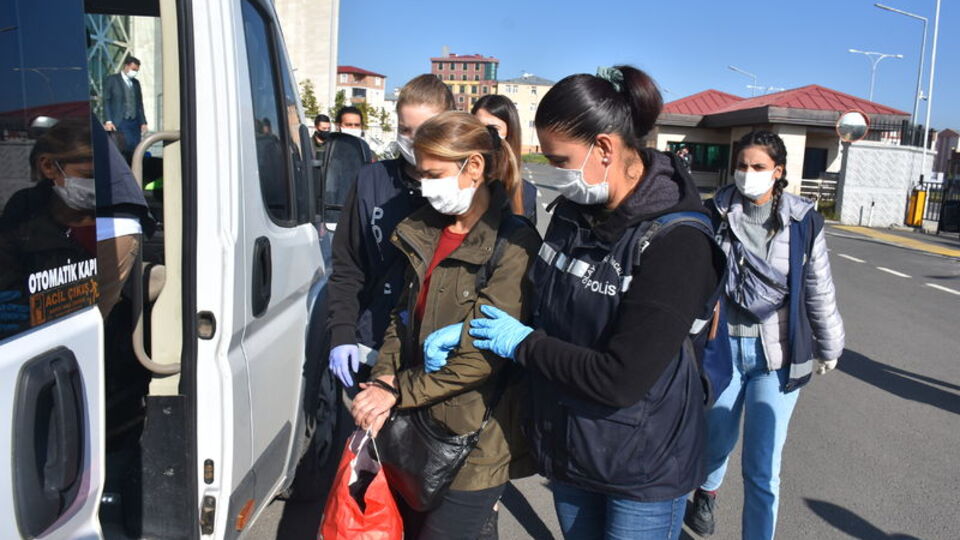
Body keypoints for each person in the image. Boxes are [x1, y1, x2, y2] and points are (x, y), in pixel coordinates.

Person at [426, 65, 725, 539]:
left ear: (604, 148)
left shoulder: (676, 241)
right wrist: (473, 335)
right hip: (570, 443)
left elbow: (620, 379)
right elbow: (539, 307)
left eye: (560, 159)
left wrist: (521, 345)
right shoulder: (573, 215)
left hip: (640, 464)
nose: (554, 172)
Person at [350, 111, 539, 539]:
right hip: (413, 428)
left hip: (472, 439)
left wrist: (396, 390)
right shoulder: (422, 229)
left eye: (433, 174)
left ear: (473, 166)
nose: (423, 184)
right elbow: (401, 318)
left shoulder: (513, 243)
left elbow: (479, 360)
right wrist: (383, 375)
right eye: (420, 174)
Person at [684, 130, 845, 540]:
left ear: (778, 171)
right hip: (722, 351)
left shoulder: (803, 221)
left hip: (776, 359)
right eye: (741, 165)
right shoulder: (714, 214)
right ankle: (707, 491)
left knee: (762, 468)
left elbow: (817, 289)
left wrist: (829, 347)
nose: (747, 174)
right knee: (715, 442)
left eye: (758, 167)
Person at [326, 74, 454, 391]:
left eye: (424, 131)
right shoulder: (371, 181)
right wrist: (342, 333)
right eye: (405, 130)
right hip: (371, 343)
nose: (412, 141)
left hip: (435, 358)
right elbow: (348, 265)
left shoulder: (460, 190)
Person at [1, 119, 98, 335]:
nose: (97, 186)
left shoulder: (116, 215)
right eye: (89, 176)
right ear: (48, 167)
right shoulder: (24, 217)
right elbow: (8, 279)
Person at [471, 94, 539, 225]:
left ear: (509, 131)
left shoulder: (526, 193)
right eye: (478, 127)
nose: (484, 135)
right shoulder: (459, 180)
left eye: (493, 129)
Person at [102, 56, 148, 159]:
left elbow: (139, 104)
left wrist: (143, 122)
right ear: (126, 66)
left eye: (137, 70)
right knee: (124, 147)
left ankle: (135, 172)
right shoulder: (112, 80)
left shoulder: (136, 83)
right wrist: (108, 120)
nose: (135, 72)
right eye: (133, 69)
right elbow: (106, 101)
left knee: (136, 149)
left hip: (134, 122)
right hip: (120, 120)